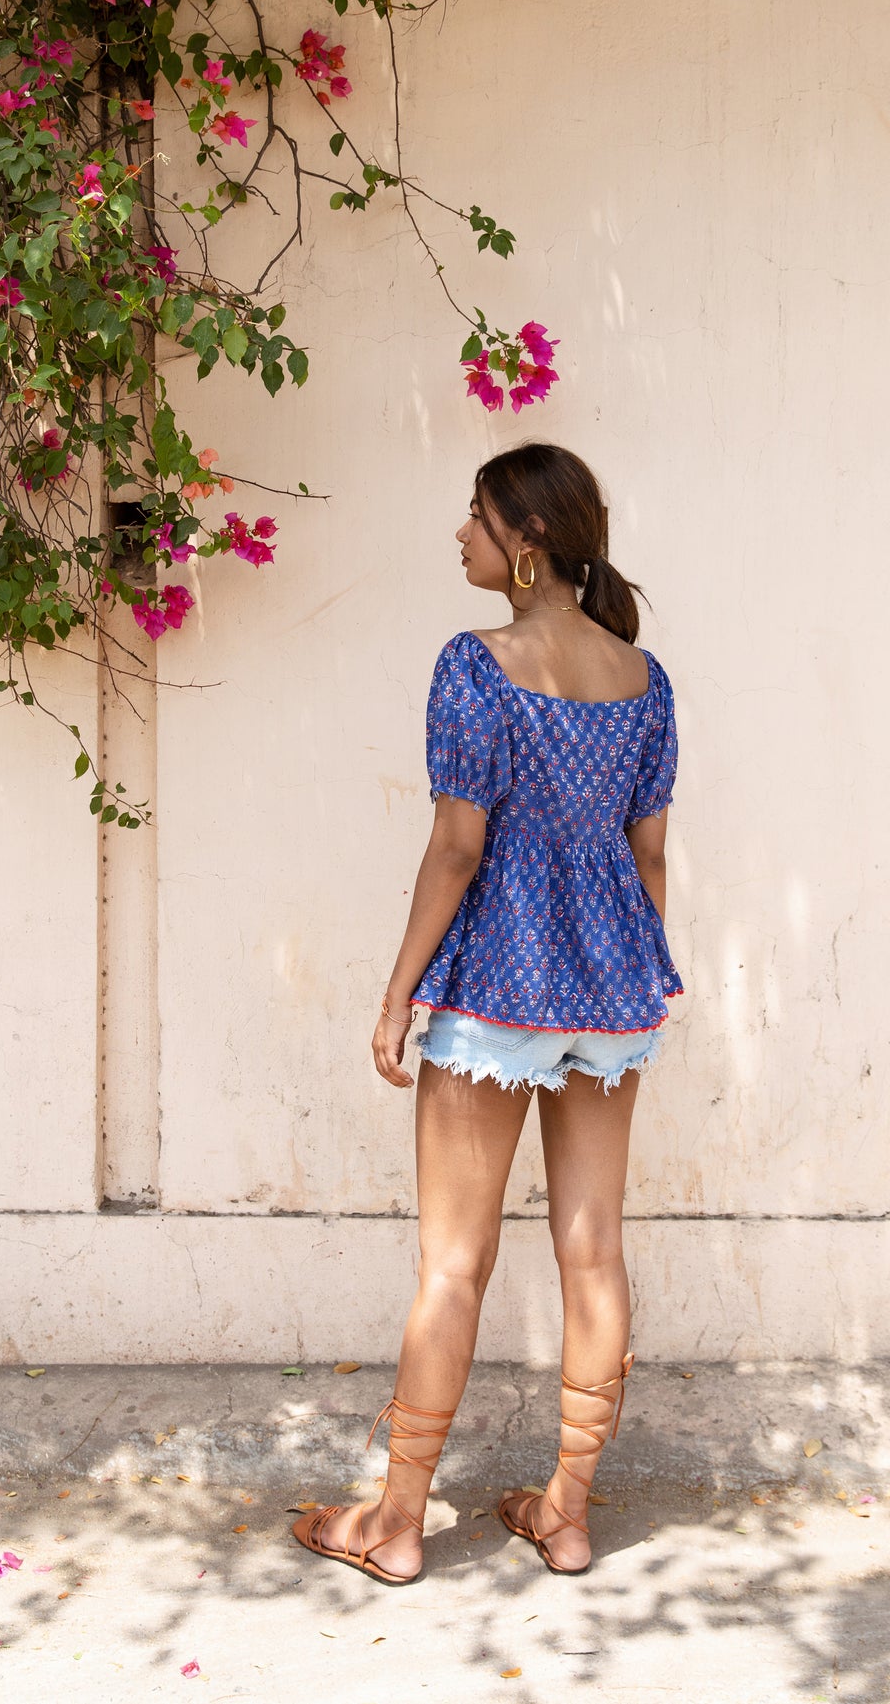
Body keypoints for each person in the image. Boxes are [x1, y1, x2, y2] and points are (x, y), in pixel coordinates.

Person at [292, 439, 681, 1584]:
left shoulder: (474, 663)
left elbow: (457, 847)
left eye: (475, 517)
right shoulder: (642, 679)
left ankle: (397, 1521)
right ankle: (563, 1512)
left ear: (527, 542)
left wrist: (398, 987)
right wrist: (634, 965)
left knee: (451, 1267)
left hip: (497, 984)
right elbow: (648, 857)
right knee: (593, 1251)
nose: (458, 534)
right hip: (612, 992)